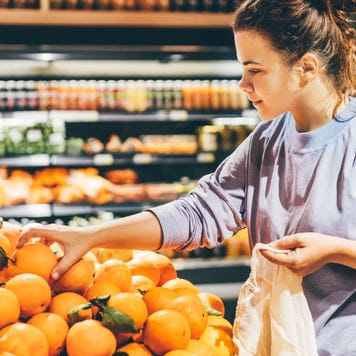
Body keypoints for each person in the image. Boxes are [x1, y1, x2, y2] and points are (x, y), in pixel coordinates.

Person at [16, 0, 355, 354]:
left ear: (306, 69)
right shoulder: (267, 141)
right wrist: (88, 237)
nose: (243, 84)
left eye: (254, 70)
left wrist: (336, 250)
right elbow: (199, 213)